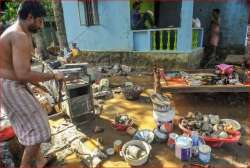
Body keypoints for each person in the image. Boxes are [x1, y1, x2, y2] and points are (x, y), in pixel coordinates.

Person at [0, 1, 64, 168]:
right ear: (29, 17)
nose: (42, 25)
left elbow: (21, 70)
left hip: (10, 83)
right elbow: (24, 73)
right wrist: (53, 75)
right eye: (40, 21)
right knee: (39, 126)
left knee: (27, 124)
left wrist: (36, 85)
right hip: (9, 85)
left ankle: (41, 161)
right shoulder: (19, 36)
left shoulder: (19, 32)